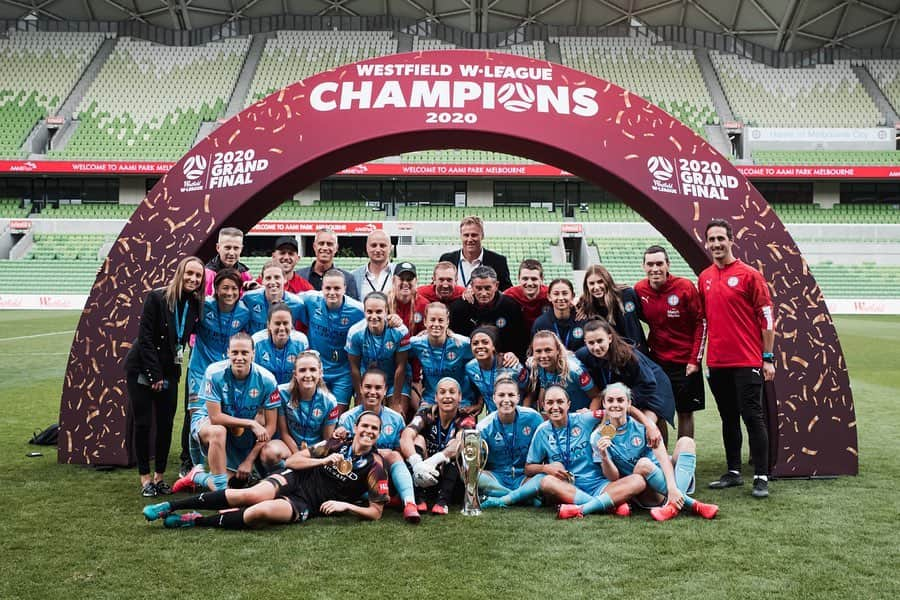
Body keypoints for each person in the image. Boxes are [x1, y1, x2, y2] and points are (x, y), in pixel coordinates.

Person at [143, 410, 390, 529]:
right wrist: (323, 461)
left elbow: (376, 511)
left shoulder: (375, 466)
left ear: (378, 435)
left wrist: (345, 506)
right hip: (296, 478)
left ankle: (195, 521)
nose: (368, 431)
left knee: (257, 513)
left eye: (374, 429)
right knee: (249, 496)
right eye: (364, 426)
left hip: (310, 504)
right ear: (355, 427)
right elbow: (293, 462)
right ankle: (171, 506)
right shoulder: (336, 443)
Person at [483, 385, 645, 517]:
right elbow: (529, 468)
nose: (555, 407)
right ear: (543, 407)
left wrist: (649, 426)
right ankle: (607, 504)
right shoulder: (542, 431)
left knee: (638, 480)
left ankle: (585, 507)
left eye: (560, 402)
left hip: (599, 484)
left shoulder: (585, 419)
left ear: (568, 404)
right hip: (569, 488)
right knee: (546, 481)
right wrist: (546, 468)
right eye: (550, 403)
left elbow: (616, 408)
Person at [700, 218, 775, 499]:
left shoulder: (749, 275)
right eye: (712, 239)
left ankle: (761, 476)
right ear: (707, 243)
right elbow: (705, 321)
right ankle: (733, 472)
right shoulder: (705, 277)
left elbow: (767, 316)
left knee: (753, 418)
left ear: (731, 240)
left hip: (747, 361)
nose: (717, 244)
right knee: (727, 418)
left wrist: (767, 357)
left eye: (721, 238)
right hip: (717, 363)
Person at [125, 256, 205, 497]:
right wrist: (154, 375)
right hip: (142, 367)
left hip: (171, 369)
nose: (193, 278)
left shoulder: (194, 303)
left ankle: (160, 477)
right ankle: (145, 479)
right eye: (189, 273)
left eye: (198, 275)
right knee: (143, 423)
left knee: (166, 423)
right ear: (180, 273)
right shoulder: (157, 297)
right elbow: (145, 338)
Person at [590, 383, 718, 521]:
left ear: (629, 403)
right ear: (603, 403)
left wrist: (673, 488)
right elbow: (614, 478)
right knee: (643, 463)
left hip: (671, 481)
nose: (615, 405)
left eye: (620, 400)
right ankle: (694, 504)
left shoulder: (644, 426)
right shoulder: (598, 436)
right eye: (610, 400)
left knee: (686, 442)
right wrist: (603, 456)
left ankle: (673, 505)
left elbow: (662, 457)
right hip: (650, 490)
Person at [173, 333, 279, 493]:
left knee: (233, 482)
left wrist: (249, 461)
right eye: (235, 352)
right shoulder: (214, 373)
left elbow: (270, 427)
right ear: (227, 353)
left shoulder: (267, 380)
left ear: (253, 354)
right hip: (208, 419)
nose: (239, 357)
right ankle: (221, 496)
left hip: (237, 425)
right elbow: (215, 418)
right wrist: (251, 423)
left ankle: (198, 476)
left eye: (244, 353)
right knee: (218, 431)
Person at [635, 245, 706, 439]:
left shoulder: (684, 287)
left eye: (659, 263)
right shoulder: (640, 289)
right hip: (657, 363)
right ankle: (661, 460)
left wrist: (695, 360)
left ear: (668, 265)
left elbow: (701, 323)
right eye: (650, 264)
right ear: (643, 267)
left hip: (685, 363)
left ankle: (685, 460)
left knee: (685, 411)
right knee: (658, 413)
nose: (655, 268)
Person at [183, 269, 252, 468]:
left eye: (233, 289)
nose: (229, 293)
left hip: (225, 374)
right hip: (200, 369)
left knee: (223, 416)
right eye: (224, 288)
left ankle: (226, 463)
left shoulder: (244, 312)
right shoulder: (204, 306)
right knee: (196, 416)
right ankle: (194, 466)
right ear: (216, 289)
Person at [335, 369, 421, 523]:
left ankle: (409, 503)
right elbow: (343, 455)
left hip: (384, 476)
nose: (372, 392)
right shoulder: (347, 419)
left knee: (394, 455)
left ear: (385, 390)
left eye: (377, 388)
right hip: (355, 475)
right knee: (380, 457)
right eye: (367, 387)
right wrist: (376, 454)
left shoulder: (396, 419)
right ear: (360, 388)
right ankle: (379, 498)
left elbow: (399, 452)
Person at [576, 318, 676, 442]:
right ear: (585, 342)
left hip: (654, 389)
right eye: (591, 343)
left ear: (610, 338)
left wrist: (624, 402)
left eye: (600, 341)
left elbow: (648, 384)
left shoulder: (628, 355)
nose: (596, 347)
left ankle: (660, 458)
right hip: (623, 393)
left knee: (643, 428)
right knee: (614, 423)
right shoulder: (583, 355)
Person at [400, 377, 475, 514]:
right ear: (435, 397)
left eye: (452, 392)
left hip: (452, 482)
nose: (447, 396)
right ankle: (420, 498)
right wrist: (417, 463)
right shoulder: (426, 413)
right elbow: (406, 436)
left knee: (456, 445)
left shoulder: (466, 418)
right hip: (423, 476)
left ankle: (443, 502)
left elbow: (461, 443)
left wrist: (432, 461)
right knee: (418, 439)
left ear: (460, 397)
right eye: (442, 392)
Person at [294, 270, 365, 410]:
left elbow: (377, 316)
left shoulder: (358, 310)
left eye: (337, 288)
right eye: (328, 288)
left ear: (345, 288)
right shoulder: (310, 299)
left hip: (343, 371)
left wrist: (394, 320)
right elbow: (285, 299)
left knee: (336, 413)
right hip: (318, 368)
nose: (332, 292)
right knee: (316, 411)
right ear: (322, 288)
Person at [258, 350, 339, 472]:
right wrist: (297, 457)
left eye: (312, 370)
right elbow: (284, 432)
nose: (307, 375)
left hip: (314, 450)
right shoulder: (282, 393)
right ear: (295, 374)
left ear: (320, 373)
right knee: (269, 452)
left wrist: (308, 457)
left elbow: (326, 440)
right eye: (302, 370)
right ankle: (280, 474)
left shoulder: (329, 401)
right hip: (289, 447)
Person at [475, 375, 544, 501]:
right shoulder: (483, 427)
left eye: (511, 395)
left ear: (518, 398)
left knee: (544, 479)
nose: (506, 400)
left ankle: (500, 496)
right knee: (472, 475)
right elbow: (478, 463)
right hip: (497, 477)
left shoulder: (533, 418)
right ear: (494, 398)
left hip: (524, 476)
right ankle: (518, 496)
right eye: (501, 395)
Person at [346, 292, 409, 412]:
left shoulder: (400, 331)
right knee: (365, 415)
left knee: (398, 414)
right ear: (364, 312)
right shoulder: (355, 333)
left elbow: (401, 367)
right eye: (369, 312)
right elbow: (354, 367)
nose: (374, 316)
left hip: (393, 380)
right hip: (369, 381)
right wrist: (359, 396)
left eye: (379, 312)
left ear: (387, 312)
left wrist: (396, 401)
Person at [448, 265, 528, 359]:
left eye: (487, 288)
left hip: (503, 360)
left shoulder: (511, 306)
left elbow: (520, 341)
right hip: (469, 361)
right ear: (472, 286)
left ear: (496, 285)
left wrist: (513, 355)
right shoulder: (459, 308)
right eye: (478, 288)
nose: (483, 293)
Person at [406, 302, 475, 410]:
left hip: (461, 401)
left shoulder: (462, 344)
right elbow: (397, 352)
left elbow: (484, 363)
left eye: (441, 320)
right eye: (432, 320)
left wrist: (479, 403)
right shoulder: (416, 344)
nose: (436, 324)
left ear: (447, 322)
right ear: (425, 322)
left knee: (466, 427)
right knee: (415, 425)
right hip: (430, 400)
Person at [576, 264, 648, 354]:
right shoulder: (586, 305)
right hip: (612, 356)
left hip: (638, 352)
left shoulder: (627, 295)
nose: (596, 287)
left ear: (608, 281)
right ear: (586, 286)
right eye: (591, 283)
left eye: (600, 282)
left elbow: (643, 316)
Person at [524, 330, 599, 412]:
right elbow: (544, 385)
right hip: (557, 415)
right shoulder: (536, 365)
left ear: (558, 350)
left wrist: (588, 415)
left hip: (578, 416)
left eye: (548, 350)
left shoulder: (574, 370)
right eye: (538, 351)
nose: (543, 356)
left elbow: (597, 396)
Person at [438, 215, 513, 290]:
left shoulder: (498, 261)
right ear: (461, 236)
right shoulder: (447, 259)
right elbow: (436, 287)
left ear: (482, 236)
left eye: (474, 235)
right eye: (466, 235)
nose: (470, 239)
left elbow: (506, 292)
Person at [464, 326, 527, 414]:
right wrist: (479, 404)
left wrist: (524, 414)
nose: (480, 346)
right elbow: (479, 388)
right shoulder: (470, 368)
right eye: (475, 343)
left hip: (516, 415)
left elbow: (530, 390)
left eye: (485, 342)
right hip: (493, 418)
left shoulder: (512, 367)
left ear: (493, 346)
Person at [251, 303, 309, 385]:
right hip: (265, 392)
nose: (282, 328)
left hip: (291, 392)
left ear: (291, 324)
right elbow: (253, 376)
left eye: (285, 323)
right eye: (277, 323)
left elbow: (305, 373)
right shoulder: (256, 342)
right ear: (268, 325)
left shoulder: (301, 342)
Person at [297, 228, 359, 300]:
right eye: (321, 243)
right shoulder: (299, 276)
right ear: (314, 246)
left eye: (329, 244)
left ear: (336, 248)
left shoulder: (348, 279)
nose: (325, 247)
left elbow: (353, 308)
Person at [242, 260, 304, 334]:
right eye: (268, 278)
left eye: (277, 277)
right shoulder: (249, 298)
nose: (272, 281)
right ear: (262, 280)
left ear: (285, 279)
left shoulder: (297, 304)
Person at [532, 278, 588, 353]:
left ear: (572, 296)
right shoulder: (541, 323)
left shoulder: (583, 320)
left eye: (565, 293)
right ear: (549, 297)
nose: (561, 298)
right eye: (556, 294)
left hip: (578, 362)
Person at [203, 227, 254, 295]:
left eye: (236, 248)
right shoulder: (208, 274)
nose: (231, 253)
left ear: (241, 249)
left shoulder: (246, 274)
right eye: (227, 248)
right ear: (218, 247)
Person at [503, 258, 550, 331]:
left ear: (541, 279)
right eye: (525, 279)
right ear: (519, 278)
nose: (529, 283)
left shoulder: (550, 295)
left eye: (534, 279)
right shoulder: (509, 295)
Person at [352, 230, 394, 297]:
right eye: (373, 245)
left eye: (382, 245)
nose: (378, 250)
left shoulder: (398, 273)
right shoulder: (354, 277)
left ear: (390, 248)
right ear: (367, 247)